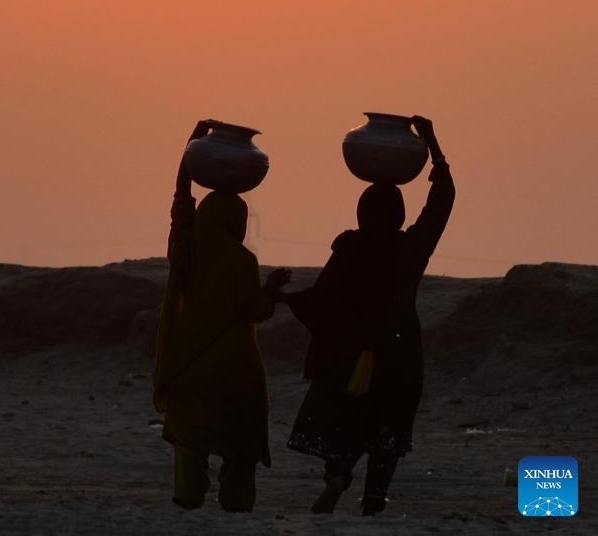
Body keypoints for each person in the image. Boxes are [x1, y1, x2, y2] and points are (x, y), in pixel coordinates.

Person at [276, 116, 455, 516]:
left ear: (362, 212)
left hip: (348, 350)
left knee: (346, 418)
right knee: (388, 422)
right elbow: (441, 203)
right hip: (399, 348)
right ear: (397, 214)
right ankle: (374, 496)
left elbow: (322, 300)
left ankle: (338, 475)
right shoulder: (411, 249)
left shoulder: (349, 248)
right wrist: (433, 147)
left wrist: (288, 298)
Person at [153, 120, 291, 512]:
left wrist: (191, 147)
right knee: (240, 444)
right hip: (235, 370)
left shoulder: (186, 248)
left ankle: (188, 496)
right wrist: (273, 290)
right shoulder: (243, 261)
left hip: (188, 365)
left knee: (190, 439)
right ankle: (235, 500)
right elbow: (255, 311)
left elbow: (181, 203)